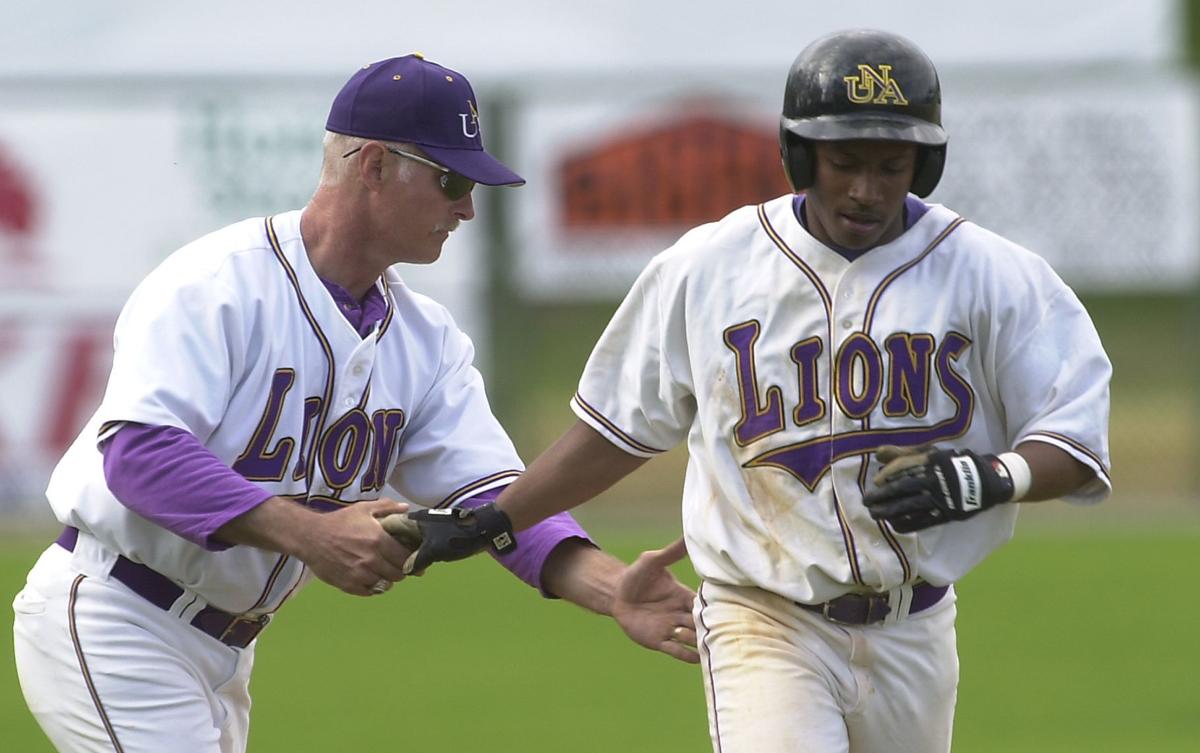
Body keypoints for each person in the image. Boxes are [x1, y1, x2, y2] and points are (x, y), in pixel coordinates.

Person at [402, 30, 1113, 753]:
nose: (865, 189)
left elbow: (1076, 438)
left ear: (925, 165)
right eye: (844, 162)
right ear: (800, 154)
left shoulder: (993, 275)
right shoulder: (711, 266)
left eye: (890, 165)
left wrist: (990, 477)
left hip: (917, 628)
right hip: (762, 617)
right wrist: (489, 519)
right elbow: (614, 433)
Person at [12, 54, 697, 753]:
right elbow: (139, 456)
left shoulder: (426, 340)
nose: (466, 208)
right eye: (452, 180)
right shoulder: (216, 284)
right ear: (373, 165)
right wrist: (310, 534)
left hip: (224, 648)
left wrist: (612, 586)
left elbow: (497, 502)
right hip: (118, 614)